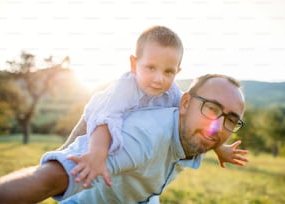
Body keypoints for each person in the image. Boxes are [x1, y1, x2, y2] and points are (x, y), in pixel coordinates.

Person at [0, 74, 248, 204]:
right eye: (212, 109)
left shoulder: (199, 126)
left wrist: (219, 149)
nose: (216, 128)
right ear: (184, 103)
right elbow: (50, 179)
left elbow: (212, 131)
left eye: (231, 120)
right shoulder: (140, 137)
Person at [52, 25, 242, 189]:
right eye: (151, 68)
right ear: (134, 64)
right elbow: (104, 121)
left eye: (168, 72)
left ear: (178, 72)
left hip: (129, 128)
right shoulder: (124, 89)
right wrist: (96, 154)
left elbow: (195, 121)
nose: (159, 79)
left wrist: (219, 148)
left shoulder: (174, 94)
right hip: (95, 119)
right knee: (67, 156)